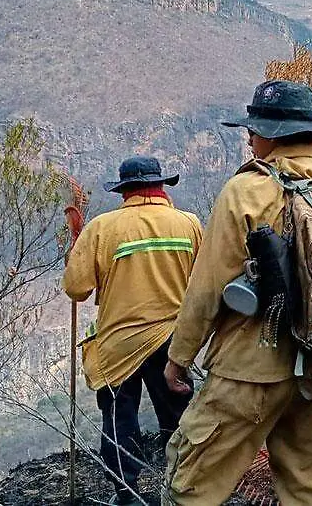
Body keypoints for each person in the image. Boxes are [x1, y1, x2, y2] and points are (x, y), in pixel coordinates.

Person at [162, 80, 312, 505]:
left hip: (251, 370)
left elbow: (207, 287)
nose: (249, 137)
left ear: (273, 134)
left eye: (255, 129)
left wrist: (180, 357)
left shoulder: (245, 192)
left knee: (193, 485)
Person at [62, 155, 203, 505]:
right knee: (179, 416)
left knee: (118, 419)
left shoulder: (102, 228)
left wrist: (77, 251)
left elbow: (76, 289)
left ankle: (127, 493)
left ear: (125, 190)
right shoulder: (189, 224)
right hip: (174, 341)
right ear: (161, 186)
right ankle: (183, 489)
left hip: (118, 344)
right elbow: (204, 283)